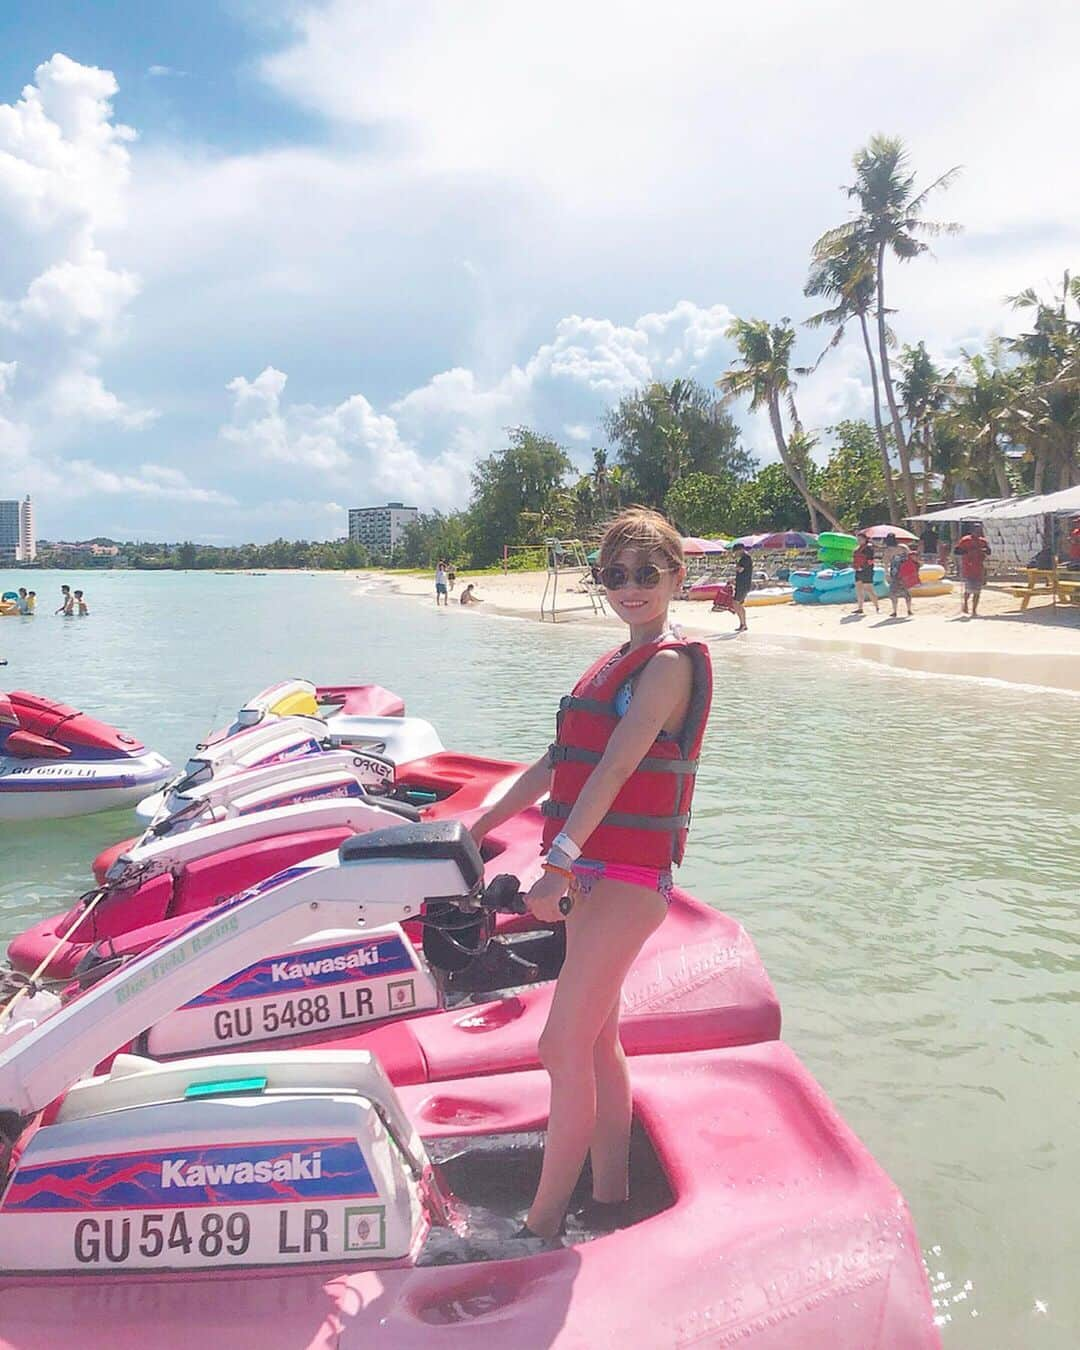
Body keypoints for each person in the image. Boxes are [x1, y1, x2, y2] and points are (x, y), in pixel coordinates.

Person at [466, 507, 711, 1246]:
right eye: (615, 575)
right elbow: (554, 763)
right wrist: (470, 828)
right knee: (599, 1043)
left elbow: (618, 766)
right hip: (592, 869)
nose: (630, 588)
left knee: (559, 1047)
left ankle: (538, 1231)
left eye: (647, 573)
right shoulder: (613, 664)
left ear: (677, 576)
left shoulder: (667, 665)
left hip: (627, 877)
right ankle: (610, 1194)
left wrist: (558, 863)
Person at [955, 522, 991, 616]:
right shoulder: (965, 540)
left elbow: (989, 551)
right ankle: (965, 605)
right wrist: (970, 551)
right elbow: (957, 551)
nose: (978, 532)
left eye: (979, 530)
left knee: (978, 591)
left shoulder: (983, 541)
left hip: (979, 568)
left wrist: (984, 550)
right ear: (972, 531)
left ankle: (974, 610)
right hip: (968, 568)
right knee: (969, 589)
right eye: (976, 530)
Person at [884, 533, 914, 618]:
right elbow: (911, 557)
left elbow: (886, 563)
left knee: (893, 592)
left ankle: (894, 611)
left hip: (895, 572)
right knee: (907, 592)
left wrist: (886, 573)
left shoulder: (888, 550)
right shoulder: (903, 547)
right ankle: (909, 610)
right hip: (905, 572)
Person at [851, 532, 880, 615]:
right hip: (858, 570)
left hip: (867, 571)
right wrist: (855, 566)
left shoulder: (869, 548)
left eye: (860, 539)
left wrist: (863, 568)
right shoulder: (857, 548)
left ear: (865, 539)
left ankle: (877, 607)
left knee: (869, 589)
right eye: (858, 539)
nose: (859, 541)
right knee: (859, 589)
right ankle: (860, 608)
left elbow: (871, 561)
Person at [730, 542, 752, 632]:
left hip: (744, 584)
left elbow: (741, 569)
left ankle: (743, 624)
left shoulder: (745, 558)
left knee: (736, 603)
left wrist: (735, 565)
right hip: (742, 583)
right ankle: (742, 624)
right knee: (738, 603)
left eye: (736, 551)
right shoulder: (743, 558)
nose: (736, 553)